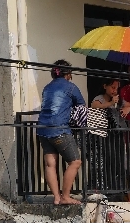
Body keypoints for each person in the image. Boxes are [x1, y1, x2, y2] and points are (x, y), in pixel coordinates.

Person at [36, 60, 85, 205]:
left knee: (50, 164)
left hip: (42, 129)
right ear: (68, 74)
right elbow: (81, 105)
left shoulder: (47, 87)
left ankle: (57, 198)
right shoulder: (70, 87)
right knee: (75, 161)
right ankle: (65, 196)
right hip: (60, 129)